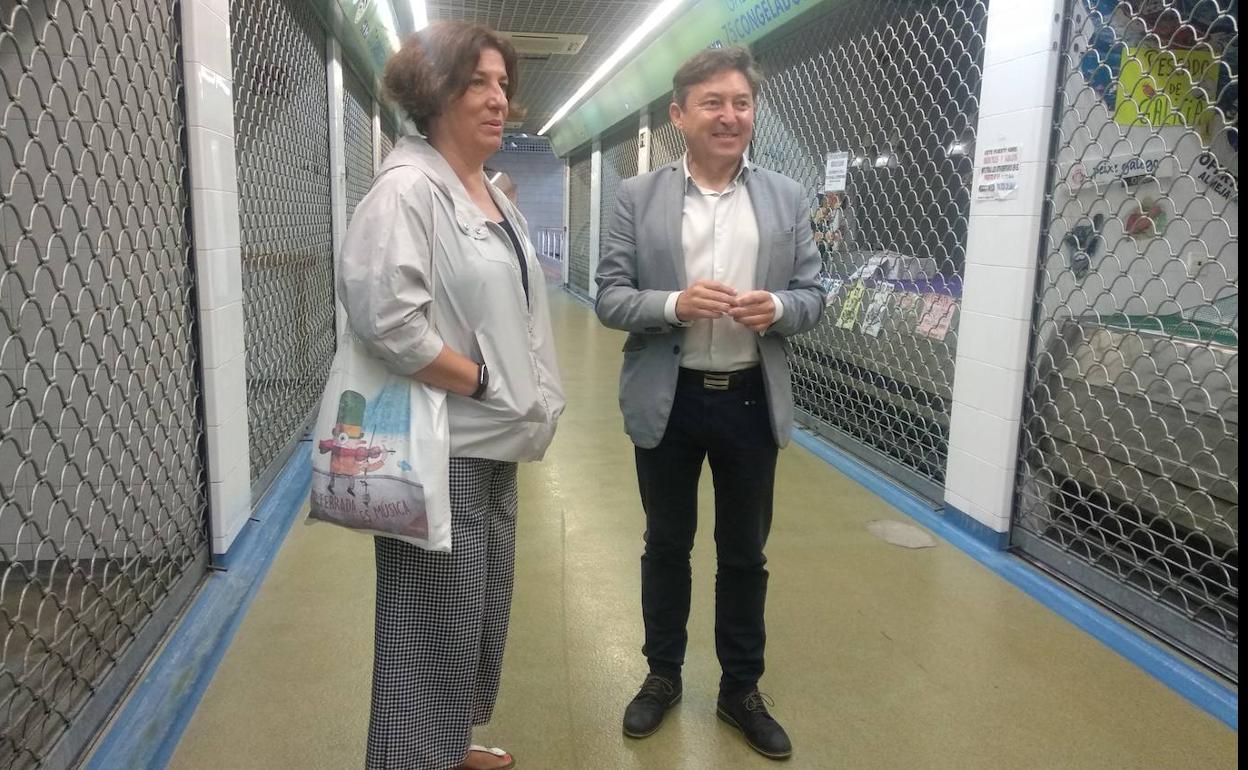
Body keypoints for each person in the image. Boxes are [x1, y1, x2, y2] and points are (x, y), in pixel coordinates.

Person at [338, 21, 565, 770]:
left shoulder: (483, 192)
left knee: (473, 610)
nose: (500, 99)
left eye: (504, 85)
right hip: (440, 447)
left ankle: (446, 744)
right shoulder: (407, 189)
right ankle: (411, 755)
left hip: (491, 441)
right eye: (478, 83)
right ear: (434, 92)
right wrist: (483, 380)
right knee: (425, 625)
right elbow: (387, 319)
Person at [594, 45, 823, 761]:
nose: (730, 116)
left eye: (742, 103)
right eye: (713, 103)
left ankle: (739, 690)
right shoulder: (638, 197)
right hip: (671, 396)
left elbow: (816, 297)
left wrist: (780, 307)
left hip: (751, 400)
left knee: (744, 553)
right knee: (666, 544)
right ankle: (661, 676)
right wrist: (673, 302)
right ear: (679, 115)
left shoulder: (786, 196)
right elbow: (608, 296)